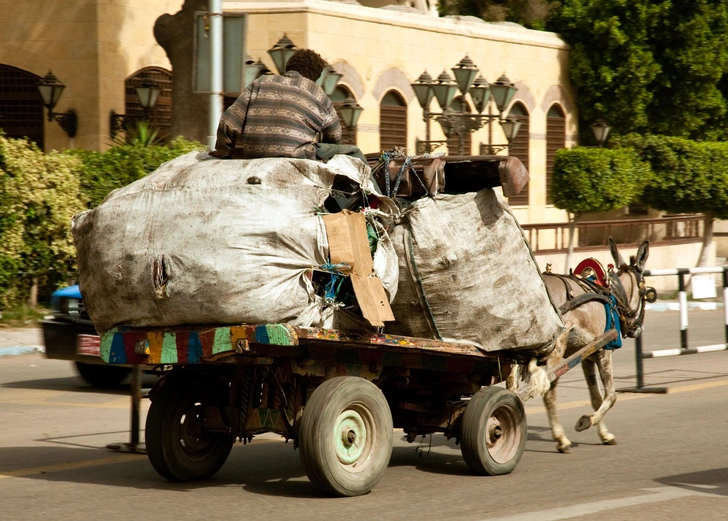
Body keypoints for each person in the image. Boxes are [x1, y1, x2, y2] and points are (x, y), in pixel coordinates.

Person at [211, 49, 342, 160]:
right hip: (297, 157)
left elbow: (228, 121)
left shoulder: (260, 82)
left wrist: (225, 151)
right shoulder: (317, 93)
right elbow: (335, 135)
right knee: (352, 152)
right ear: (315, 76)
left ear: (289, 66)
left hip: (254, 155)